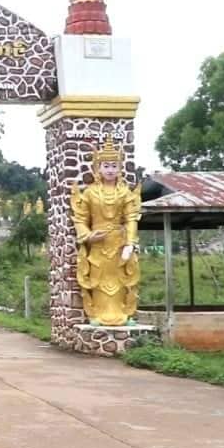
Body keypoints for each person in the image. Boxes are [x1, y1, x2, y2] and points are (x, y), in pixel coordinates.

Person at [70, 136, 141, 326]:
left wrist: (130, 243)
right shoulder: (90, 193)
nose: (110, 170)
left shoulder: (125, 192)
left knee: (120, 280)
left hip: (119, 245)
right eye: (106, 166)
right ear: (98, 168)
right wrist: (88, 236)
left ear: (119, 168)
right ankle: (98, 314)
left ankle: (122, 313)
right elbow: (80, 218)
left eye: (114, 166)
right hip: (98, 245)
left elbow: (131, 218)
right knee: (98, 279)